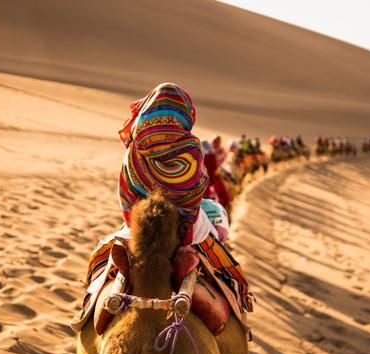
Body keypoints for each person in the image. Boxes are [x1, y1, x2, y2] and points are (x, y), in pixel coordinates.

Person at [73, 83, 252, 333]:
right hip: (186, 228)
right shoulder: (191, 148)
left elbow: (125, 193)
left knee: (99, 259)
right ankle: (240, 302)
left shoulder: (134, 150)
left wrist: (137, 216)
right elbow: (197, 189)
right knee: (225, 264)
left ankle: (87, 306)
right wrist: (183, 225)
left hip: (140, 224)